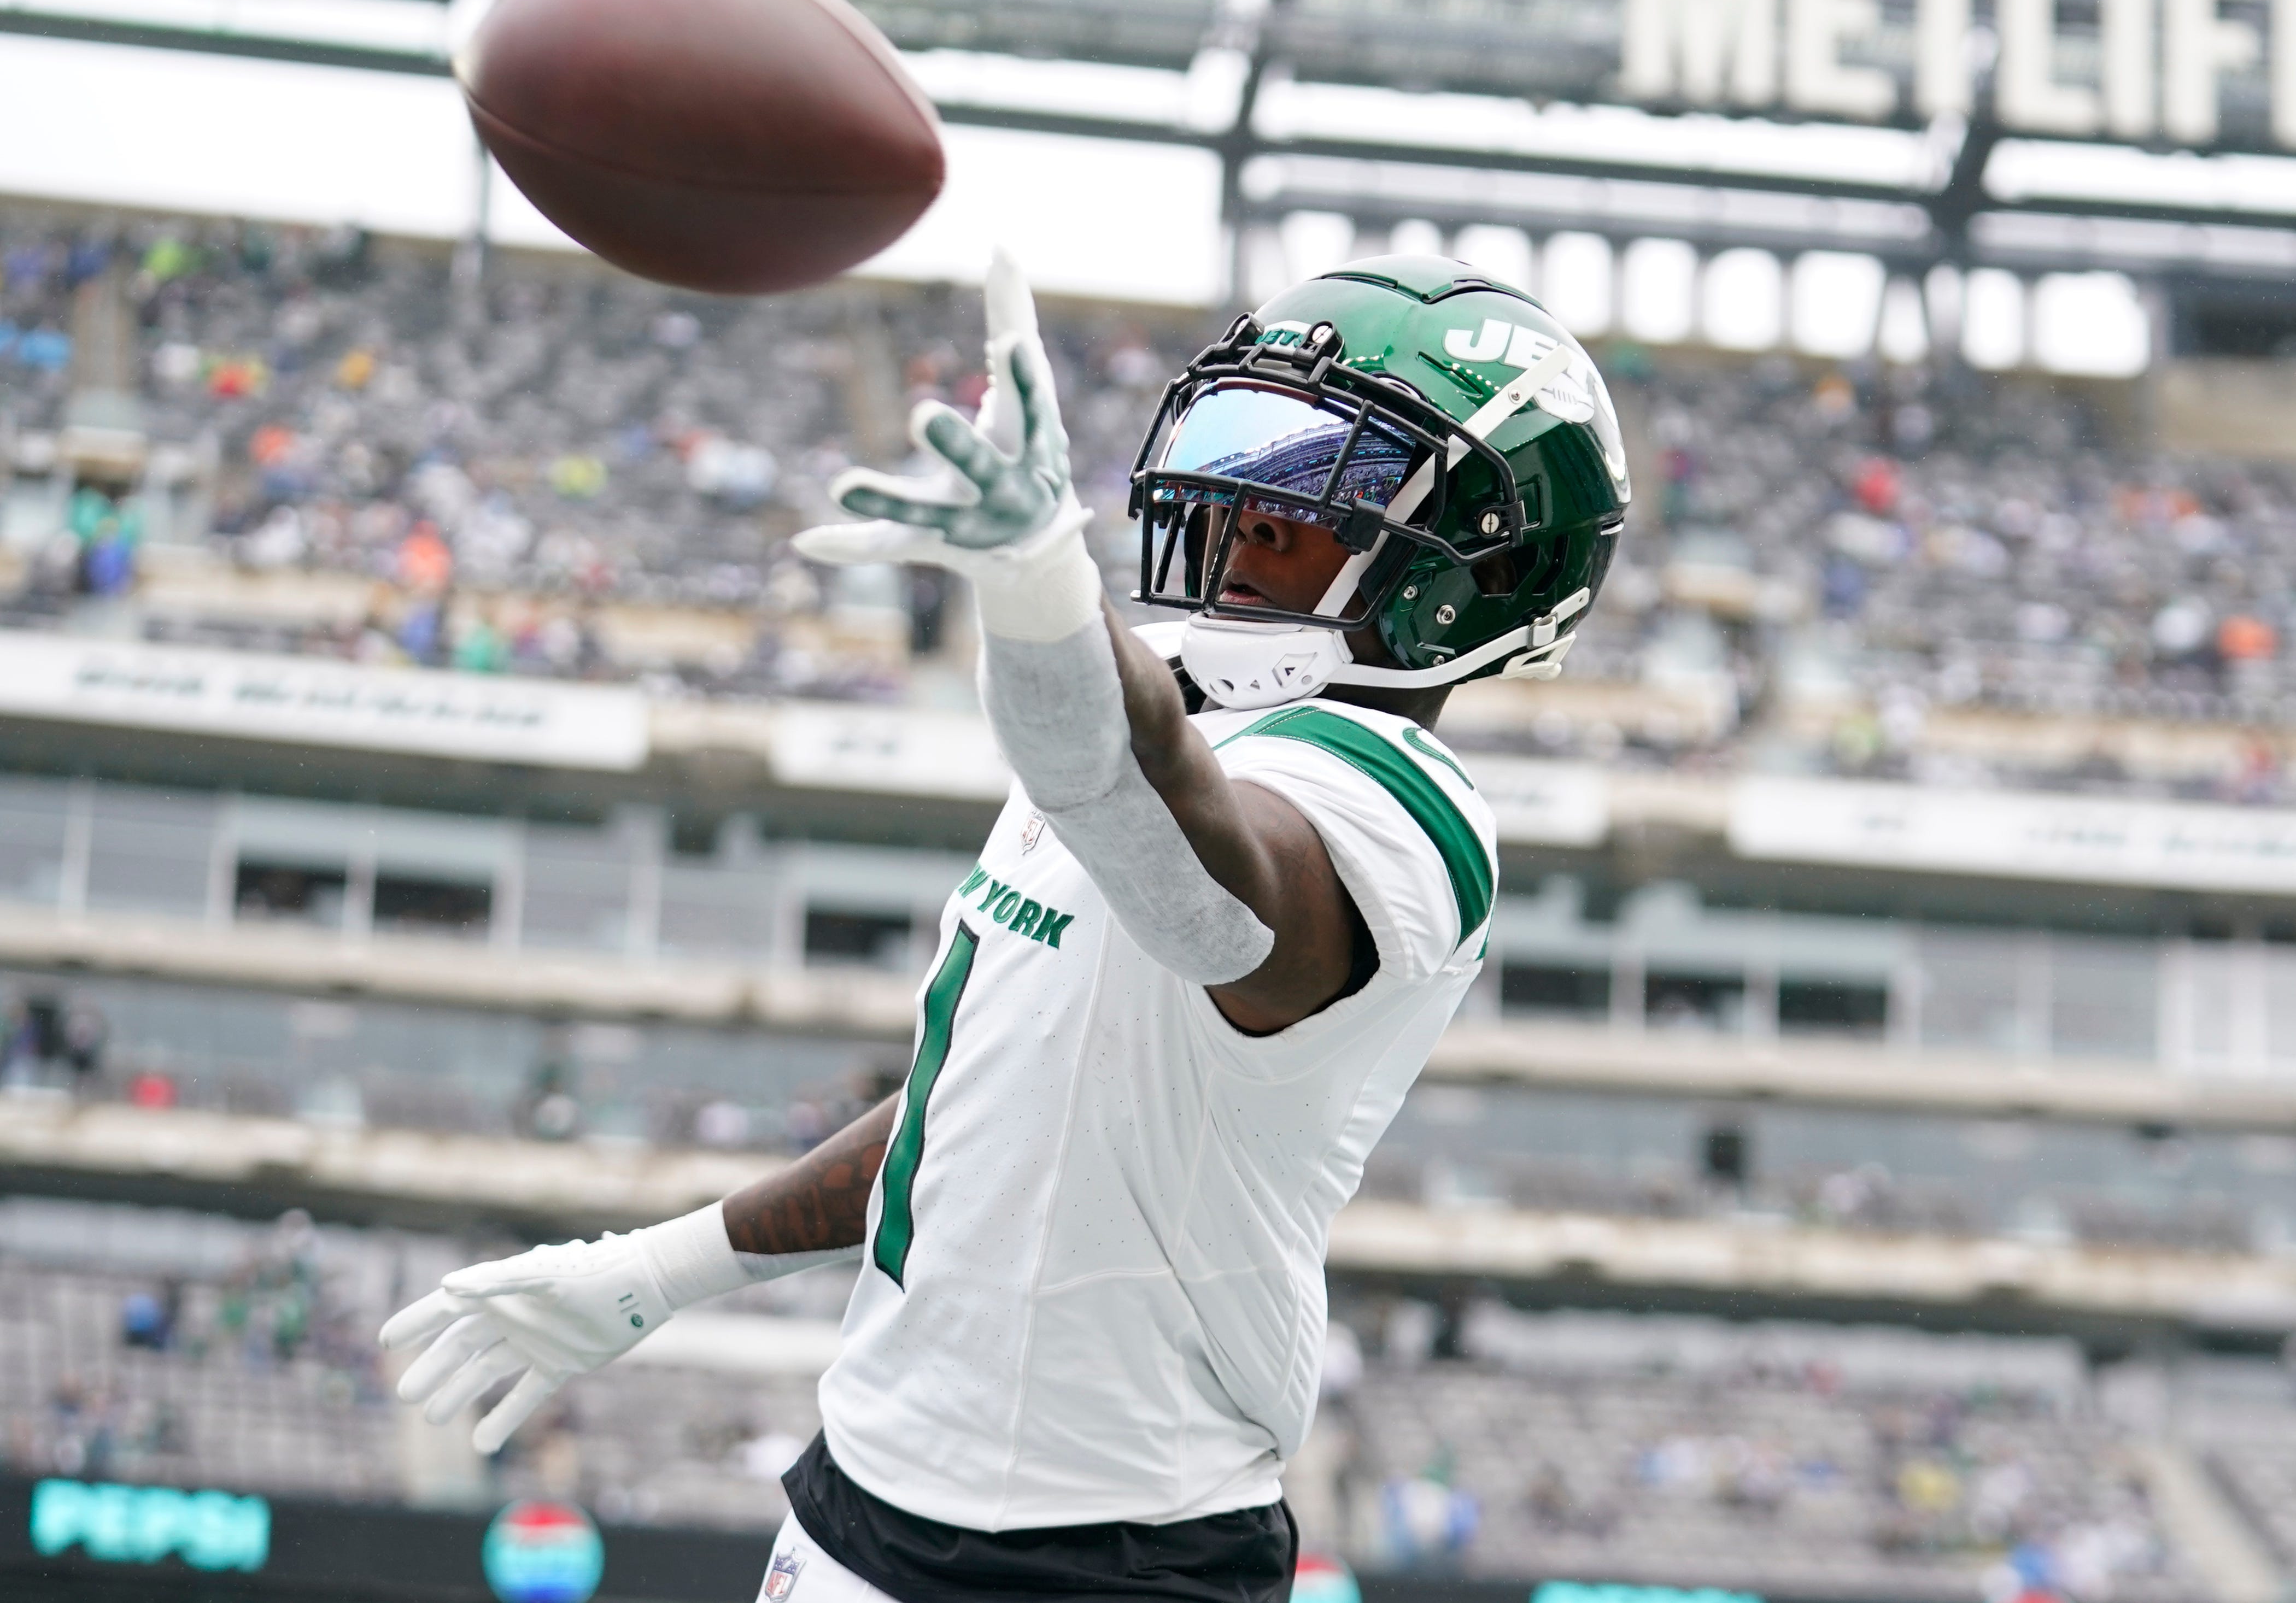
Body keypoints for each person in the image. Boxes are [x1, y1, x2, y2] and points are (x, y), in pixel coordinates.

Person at [379, 251, 1626, 1603]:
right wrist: (658, 1269)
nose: (1256, 509)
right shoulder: (1166, 724)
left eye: (1333, 483)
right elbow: (964, 1106)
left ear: (1480, 570)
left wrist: (1044, 593)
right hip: (856, 1500)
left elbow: (1198, 885)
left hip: (1119, 1555)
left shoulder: (1400, 812)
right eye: (1254, 448)